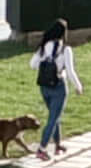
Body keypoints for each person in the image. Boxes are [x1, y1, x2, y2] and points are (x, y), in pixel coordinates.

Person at [31, 26, 81, 158]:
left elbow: (32, 64)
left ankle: (58, 145)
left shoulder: (44, 46)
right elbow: (70, 71)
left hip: (44, 86)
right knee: (53, 119)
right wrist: (78, 86)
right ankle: (42, 149)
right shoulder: (66, 49)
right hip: (59, 86)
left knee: (55, 116)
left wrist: (45, 65)